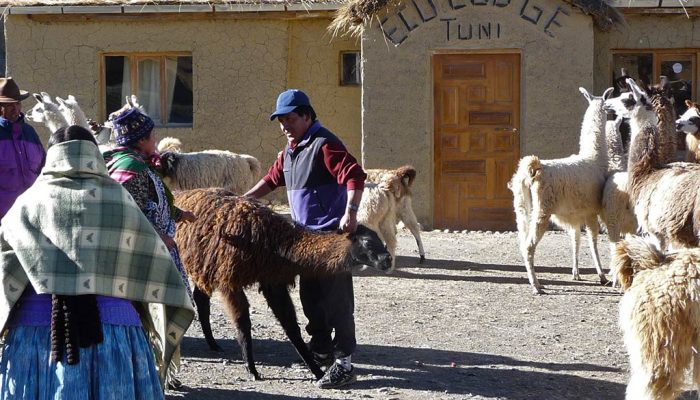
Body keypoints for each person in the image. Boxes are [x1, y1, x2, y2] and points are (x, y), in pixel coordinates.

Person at [0, 125, 194, 399]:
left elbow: (5, 265)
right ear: (94, 154)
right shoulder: (118, 199)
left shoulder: (29, 202)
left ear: (51, 157)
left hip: (36, 337)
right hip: (114, 335)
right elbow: (152, 262)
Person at [244, 89, 366, 389]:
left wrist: (350, 212)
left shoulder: (324, 144)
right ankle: (322, 349)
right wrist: (244, 200)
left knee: (337, 302)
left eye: (290, 119)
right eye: (280, 121)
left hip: (332, 239)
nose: (285, 126)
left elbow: (354, 175)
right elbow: (273, 178)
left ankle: (344, 364)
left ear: (307, 116)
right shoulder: (289, 151)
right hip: (305, 239)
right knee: (312, 299)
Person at [102, 107, 196, 388]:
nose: (155, 138)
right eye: (151, 134)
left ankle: (159, 371)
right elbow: (128, 210)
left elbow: (153, 201)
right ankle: (149, 374)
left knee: (154, 313)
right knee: (153, 313)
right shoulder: (131, 170)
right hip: (144, 255)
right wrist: (159, 235)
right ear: (141, 139)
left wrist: (179, 215)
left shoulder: (126, 163)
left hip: (144, 250)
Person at [0, 77, 46, 221]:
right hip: (4, 218)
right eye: (9, 105)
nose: (16, 108)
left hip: (33, 216)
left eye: (18, 103)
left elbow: (44, 170)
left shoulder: (29, 133)